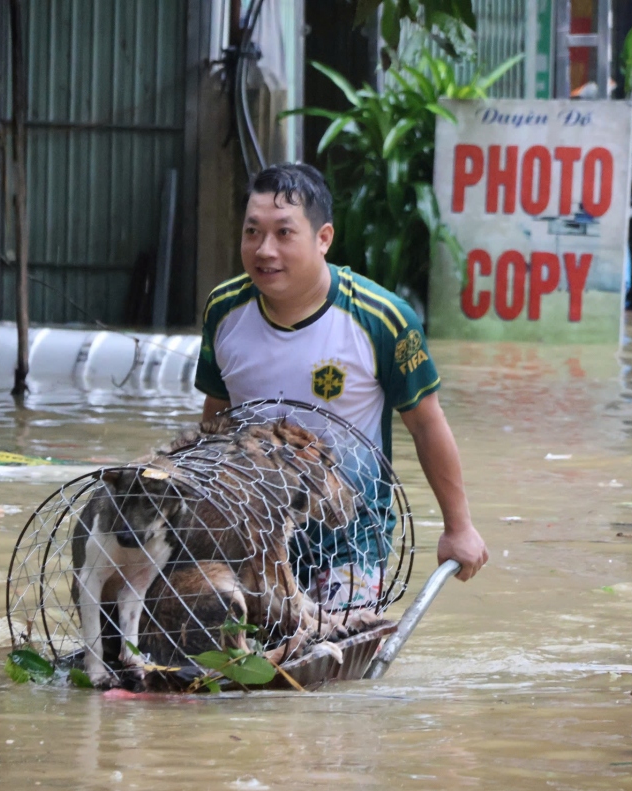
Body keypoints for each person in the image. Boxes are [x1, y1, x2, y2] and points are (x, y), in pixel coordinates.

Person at [195, 163, 488, 607]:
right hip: (249, 534)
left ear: (324, 238)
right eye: (252, 232)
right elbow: (214, 420)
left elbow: (427, 425)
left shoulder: (382, 319)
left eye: (283, 234)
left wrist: (458, 527)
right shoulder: (223, 311)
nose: (264, 250)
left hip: (349, 538)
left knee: (329, 663)